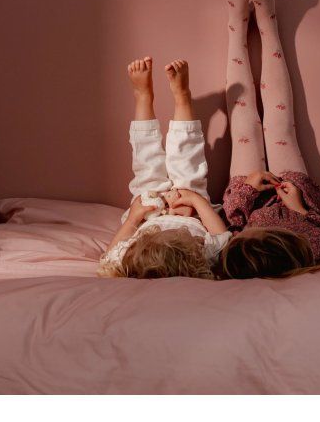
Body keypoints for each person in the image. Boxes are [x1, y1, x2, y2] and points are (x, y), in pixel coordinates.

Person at [219, 0, 320, 279]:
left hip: (247, 193)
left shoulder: (240, 255)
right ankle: (267, 20)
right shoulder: (309, 248)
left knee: (243, 123)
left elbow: (231, 222)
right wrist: (298, 210)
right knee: (280, 125)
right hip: (294, 188)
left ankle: (237, 24)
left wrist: (248, 189)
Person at [98, 57, 229, 279]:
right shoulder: (200, 257)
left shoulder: (133, 262)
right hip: (190, 210)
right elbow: (223, 237)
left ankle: (143, 96)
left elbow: (108, 256)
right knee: (187, 160)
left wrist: (133, 219)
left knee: (145, 160)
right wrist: (196, 201)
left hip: (148, 212)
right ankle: (182, 97)